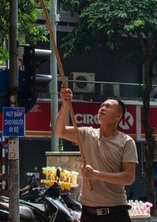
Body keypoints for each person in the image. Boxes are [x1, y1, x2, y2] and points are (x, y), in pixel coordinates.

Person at [55, 88, 138, 222]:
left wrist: (95, 174)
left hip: (116, 213)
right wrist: (65, 104)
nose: (103, 108)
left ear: (118, 116)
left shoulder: (126, 142)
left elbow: (128, 177)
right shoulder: (87, 133)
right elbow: (60, 131)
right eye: (102, 106)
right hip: (89, 213)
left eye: (108, 106)